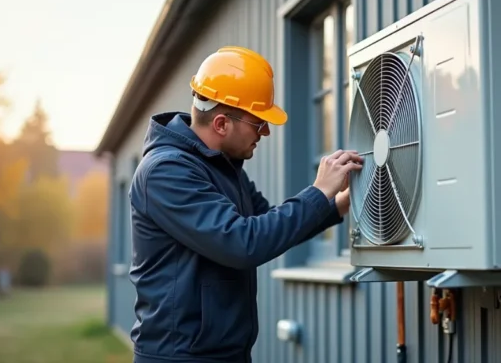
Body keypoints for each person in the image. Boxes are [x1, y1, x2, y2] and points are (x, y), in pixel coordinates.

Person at [127, 46, 363, 363]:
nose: (265, 131)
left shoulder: (224, 167)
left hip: (224, 353)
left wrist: (338, 204)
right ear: (222, 123)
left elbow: (270, 224)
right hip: (180, 357)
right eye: (258, 122)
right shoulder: (166, 172)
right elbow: (242, 242)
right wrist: (319, 191)